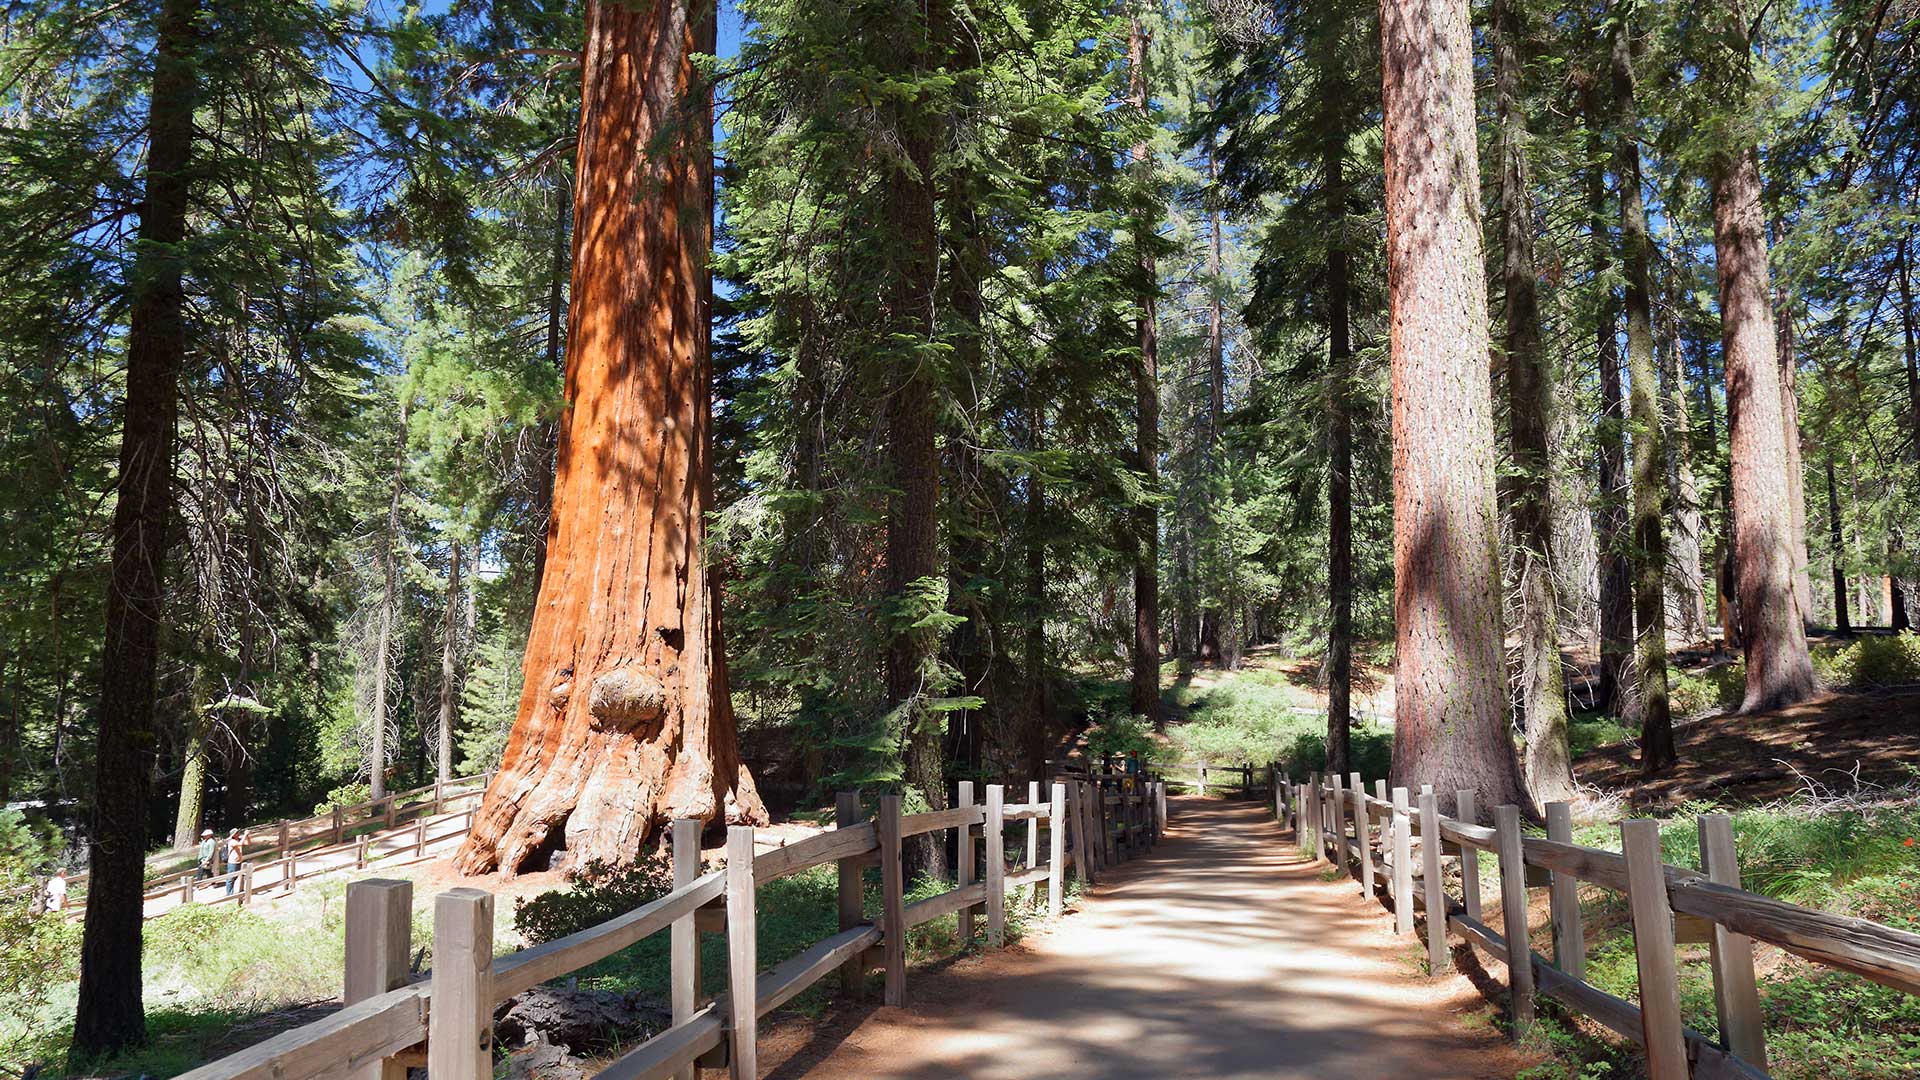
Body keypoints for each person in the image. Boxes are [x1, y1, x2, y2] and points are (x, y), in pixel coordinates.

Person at [225, 828, 247, 894]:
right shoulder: (232, 841)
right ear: (233, 835)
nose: (238, 833)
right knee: (230, 878)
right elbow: (240, 844)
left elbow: (248, 842)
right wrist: (245, 835)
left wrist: (247, 836)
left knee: (235, 877)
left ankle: (230, 892)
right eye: (237, 833)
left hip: (238, 861)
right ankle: (229, 893)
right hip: (232, 862)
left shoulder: (238, 840)